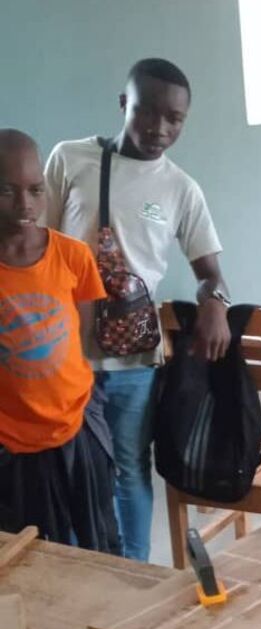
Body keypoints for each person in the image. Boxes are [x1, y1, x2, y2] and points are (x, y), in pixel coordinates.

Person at [43, 58, 232, 561]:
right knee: (75, 465)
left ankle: (133, 570)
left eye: (175, 119)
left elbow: (211, 273)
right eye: (149, 113)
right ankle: (80, 564)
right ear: (124, 104)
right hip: (66, 356)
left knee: (129, 465)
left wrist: (215, 302)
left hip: (132, 361)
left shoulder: (180, 189)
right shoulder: (69, 159)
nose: (161, 129)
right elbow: (39, 246)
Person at [0, 129, 119, 553]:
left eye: (35, 190)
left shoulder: (73, 256)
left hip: (77, 428)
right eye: (7, 191)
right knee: (28, 555)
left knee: (97, 544)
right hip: (11, 444)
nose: (24, 205)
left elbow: (82, 339)